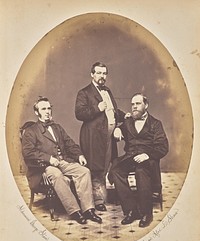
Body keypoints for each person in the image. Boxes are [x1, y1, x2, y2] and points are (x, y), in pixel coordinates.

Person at [22, 97, 102, 225]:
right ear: (37, 113)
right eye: (43, 109)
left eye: (49, 108)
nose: (48, 111)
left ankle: (88, 209)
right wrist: (48, 158)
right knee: (57, 175)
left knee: (84, 171)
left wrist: (79, 155)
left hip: (62, 161)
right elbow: (28, 153)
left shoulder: (57, 127)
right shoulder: (31, 132)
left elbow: (69, 144)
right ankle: (75, 211)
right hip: (43, 167)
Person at [108, 93, 169, 227]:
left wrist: (147, 155)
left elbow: (163, 147)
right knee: (116, 171)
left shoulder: (155, 123)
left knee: (141, 171)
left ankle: (147, 213)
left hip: (148, 158)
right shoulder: (128, 122)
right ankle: (131, 209)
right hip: (131, 156)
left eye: (138, 103)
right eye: (133, 104)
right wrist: (117, 129)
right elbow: (119, 129)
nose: (134, 107)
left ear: (146, 105)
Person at [75, 62, 126, 212]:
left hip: (108, 137)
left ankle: (103, 196)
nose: (102, 76)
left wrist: (124, 116)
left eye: (104, 73)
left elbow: (113, 110)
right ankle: (98, 201)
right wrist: (97, 108)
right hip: (93, 137)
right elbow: (79, 113)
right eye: (98, 73)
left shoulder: (107, 90)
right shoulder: (84, 92)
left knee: (105, 165)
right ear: (92, 74)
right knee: (95, 167)